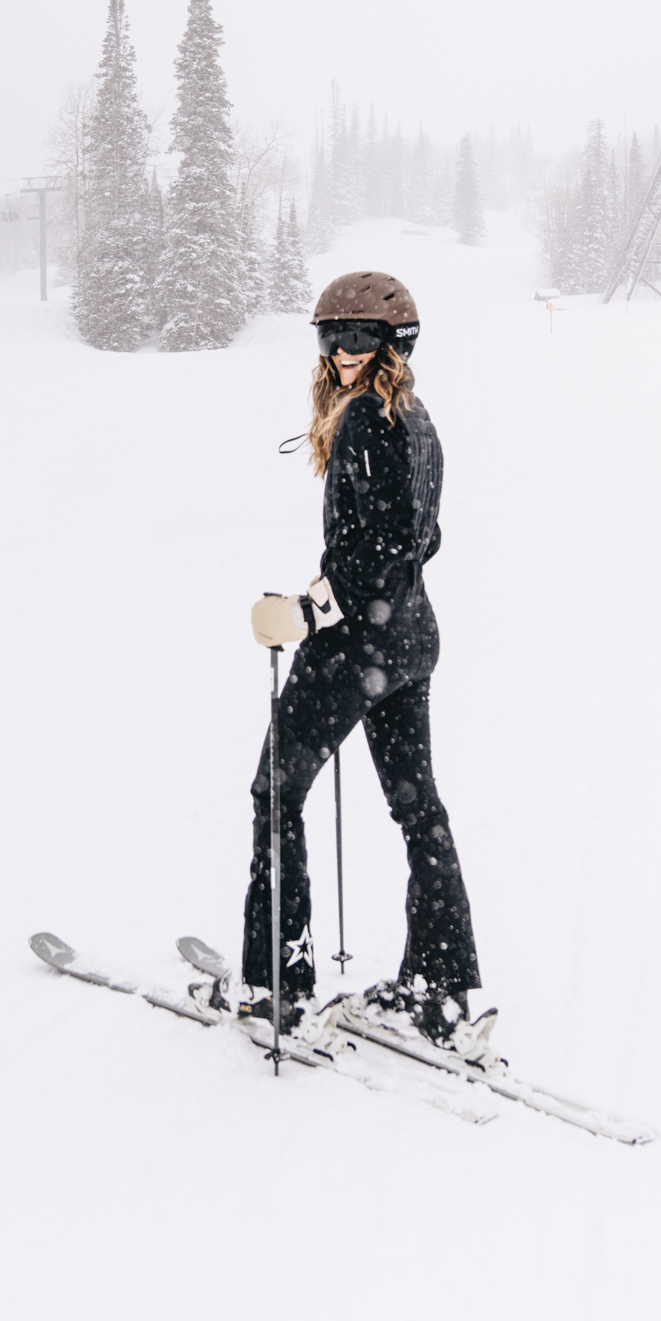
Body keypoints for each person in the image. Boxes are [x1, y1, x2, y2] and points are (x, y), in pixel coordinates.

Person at [235, 270, 481, 1047]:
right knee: (417, 807)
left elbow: (372, 555)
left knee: (275, 794)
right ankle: (440, 987)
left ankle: (281, 983)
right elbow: (421, 540)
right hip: (409, 639)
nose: (342, 353)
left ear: (392, 346)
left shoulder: (367, 422)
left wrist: (307, 611)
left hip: (357, 647)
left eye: (358, 338)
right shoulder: (417, 420)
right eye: (329, 337)